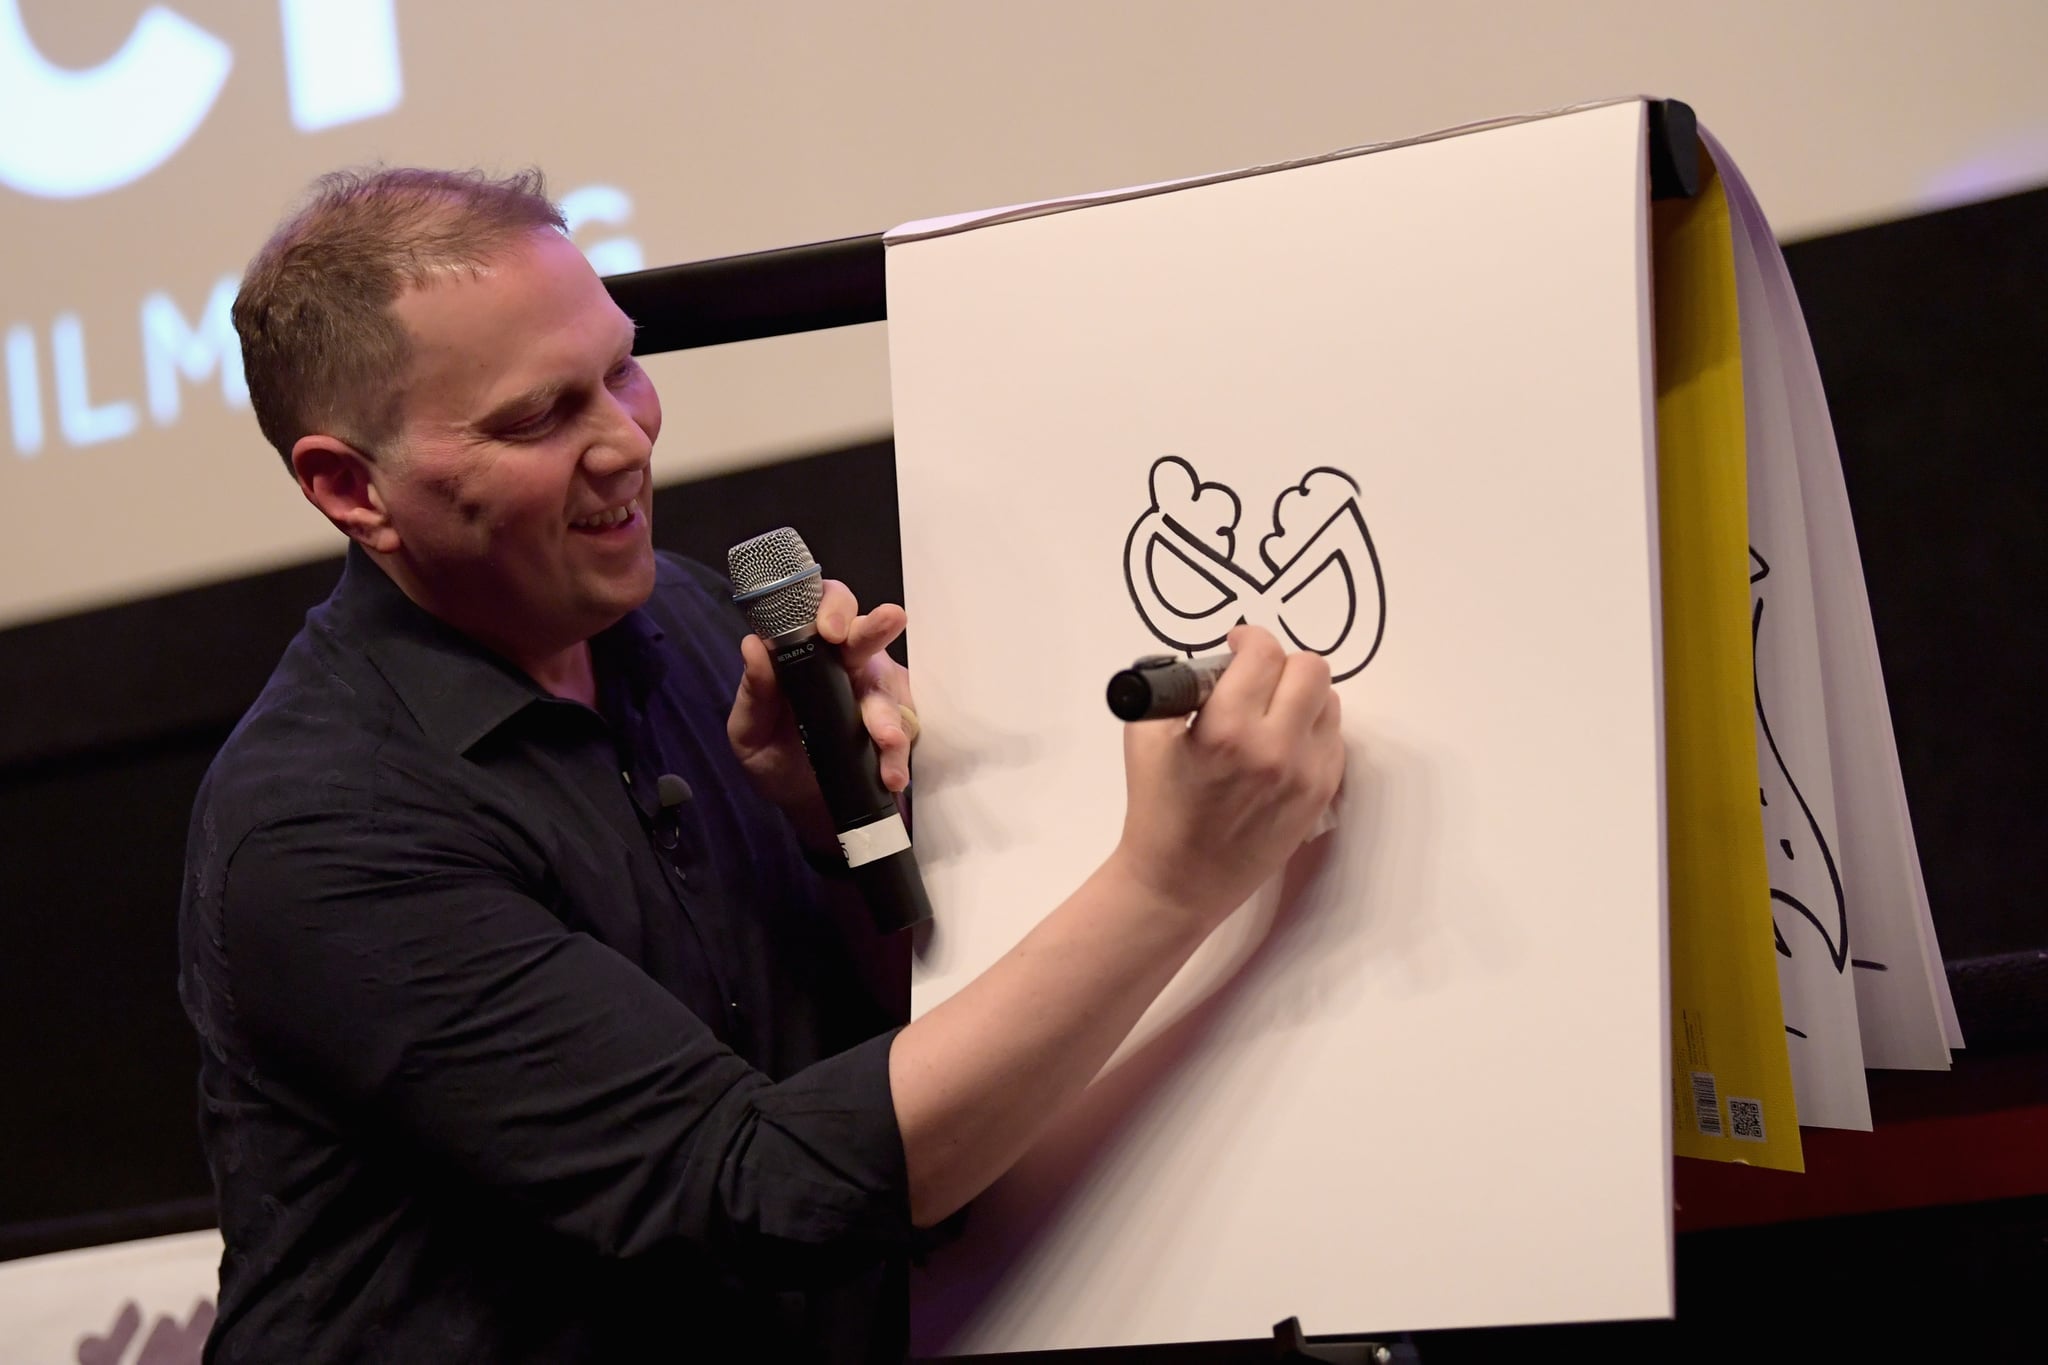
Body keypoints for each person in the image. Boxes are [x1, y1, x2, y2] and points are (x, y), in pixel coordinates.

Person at [179, 167, 1345, 1363]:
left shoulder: (678, 621)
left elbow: (867, 1047)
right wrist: (1172, 882)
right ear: (345, 486)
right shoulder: (324, 828)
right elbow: (756, 1194)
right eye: (537, 418)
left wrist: (830, 831)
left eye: (621, 370)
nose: (623, 441)